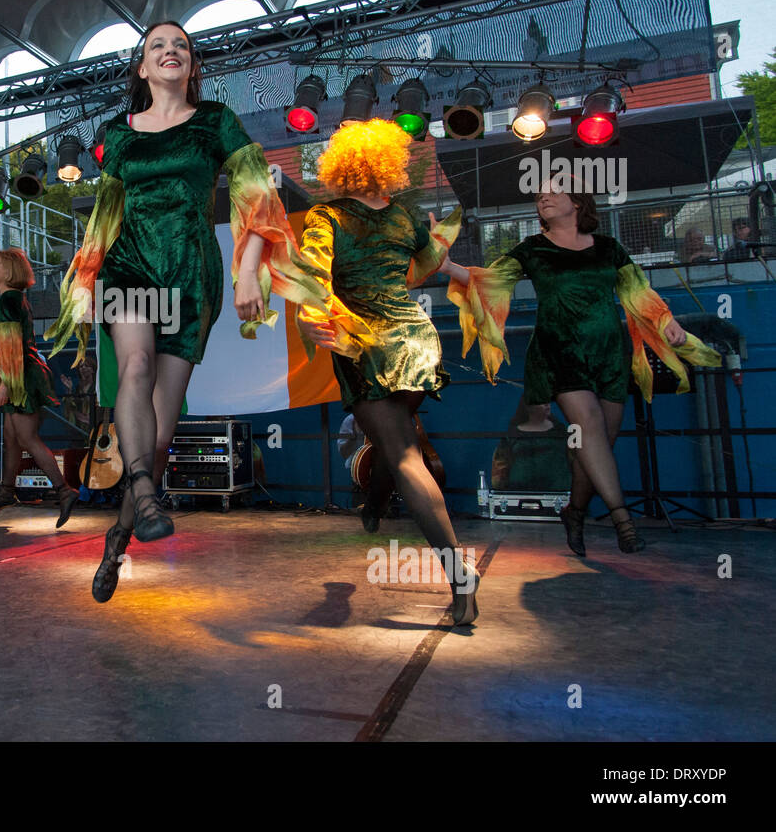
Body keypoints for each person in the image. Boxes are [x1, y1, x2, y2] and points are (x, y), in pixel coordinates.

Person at [45, 20, 334, 603]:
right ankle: (149, 496)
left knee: (157, 432)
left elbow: (257, 192)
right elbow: (106, 214)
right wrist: (84, 278)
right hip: (131, 265)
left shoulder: (215, 122)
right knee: (133, 370)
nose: (171, 51)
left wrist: (250, 265)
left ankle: (119, 535)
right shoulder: (116, 135)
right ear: (142, 69)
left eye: (181, 45)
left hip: (190, 272)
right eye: (158, 46)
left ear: (192, 65)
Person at [441, 173, 720, 556]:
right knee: (587, 425)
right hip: (559, 350)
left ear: (577, 201)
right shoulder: (533, 249)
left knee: (598, 443)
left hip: (607, 352)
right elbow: (489, 281)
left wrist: (666, 321)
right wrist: (449, 267)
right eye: (539, 195)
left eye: (553, 192)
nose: (543, 198)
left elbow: (637, 290)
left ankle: (574, 511)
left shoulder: (608, 248)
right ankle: (624, 521)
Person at [295, 118, 479, 625]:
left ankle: (459, 575)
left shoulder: (326, 216)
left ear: (342, 166)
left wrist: (313, 317)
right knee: (397, 445)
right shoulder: (405, 217)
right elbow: (436, 265)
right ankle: (373, 508)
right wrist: (476, 282)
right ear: (387, 166)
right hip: (417, 338)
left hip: (368, 345)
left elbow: (311, 275)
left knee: (402, 456)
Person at [0, 249, 78, 528]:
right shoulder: (12, 299)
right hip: (21, 372)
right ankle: (7, 492)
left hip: (22, 375)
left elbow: (11, 346)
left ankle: (64, 490)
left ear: (8, 271)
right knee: (11, 438)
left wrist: (6, 384)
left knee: (27, 438)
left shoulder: (9, 300)